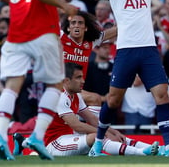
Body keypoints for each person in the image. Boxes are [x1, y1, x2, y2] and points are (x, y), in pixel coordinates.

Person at [0, 0, 77, 161]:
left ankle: (0, 136)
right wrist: (63, 5)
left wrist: (18, 7)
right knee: (54, 85)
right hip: (42, 31)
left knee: (12, 86)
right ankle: (38, 136)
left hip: (15, 33)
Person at [89, 0, 169, 157]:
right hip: (126, 51)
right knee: (114, 101)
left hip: (149, 51)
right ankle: (98, 143)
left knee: (162, 94)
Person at [13, 63, 159, 157]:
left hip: (68, 138)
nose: (83, 81)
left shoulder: (75, 95)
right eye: (78, 77)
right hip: (55, 143)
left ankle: (156, 150)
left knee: (109, 134)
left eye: (82, 77)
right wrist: (104, 132)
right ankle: (140, 153)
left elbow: (92, 119)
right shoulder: (60, 97)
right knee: (97, 136)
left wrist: (112, 131)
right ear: (66, 81)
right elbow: (77, 125)